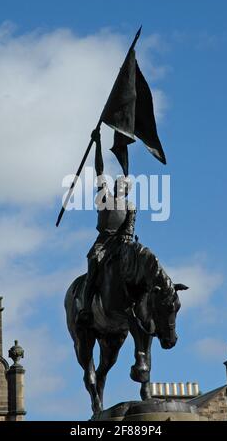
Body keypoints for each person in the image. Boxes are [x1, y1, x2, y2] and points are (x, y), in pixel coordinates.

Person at [76, 129, 136, 326]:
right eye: (119, 183)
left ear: (127, 190)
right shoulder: (105, 197)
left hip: (121, 244)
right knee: (93, 262)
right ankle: (86, 306)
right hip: (103, 242)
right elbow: (99, 170)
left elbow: (129, 230)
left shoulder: (130, 207)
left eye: (124, 185)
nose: (120, 186)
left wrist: (126, 244)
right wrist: (98, 143)